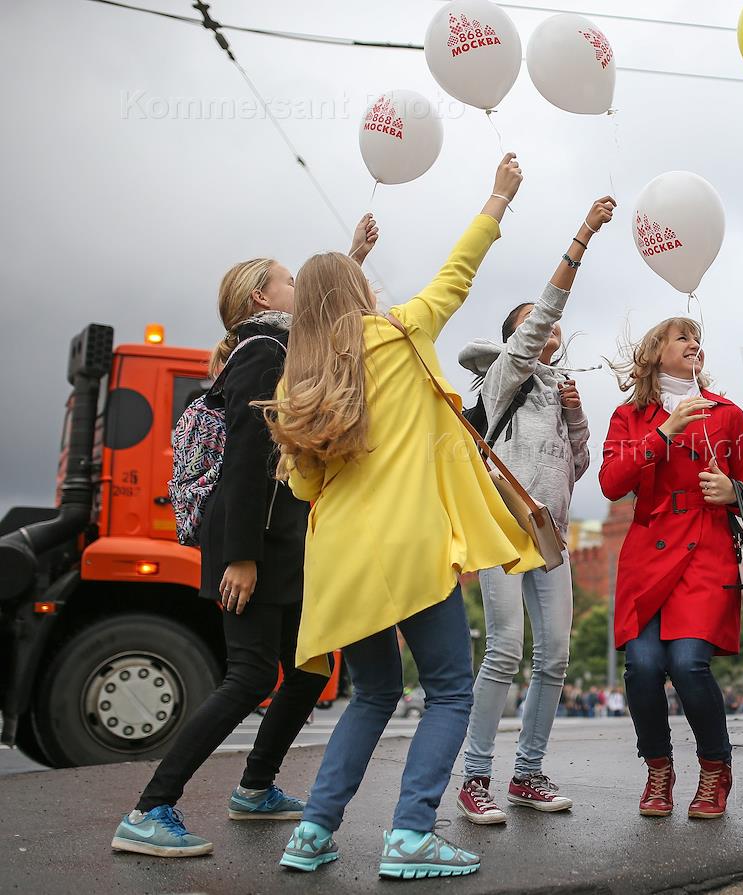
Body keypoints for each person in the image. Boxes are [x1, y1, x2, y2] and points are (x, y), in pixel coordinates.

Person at [264, 154, 542, 881]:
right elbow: (459, 271)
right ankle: (412, 831)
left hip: (341, 558)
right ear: (361, 292)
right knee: (451, 686)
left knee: (376, 692)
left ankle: (313, 830)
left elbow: (302, 487)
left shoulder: (301, 378)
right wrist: (498, 197)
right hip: (414, 542)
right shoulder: (403, 331)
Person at [111, 216, 378, 859]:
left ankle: (255, 788)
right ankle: (149, 810)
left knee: (310, 667)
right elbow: (245, 457)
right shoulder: (261, 354)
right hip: (253, 549)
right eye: (289, 279)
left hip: (279, 548)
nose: (298, 285)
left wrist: (353, 258)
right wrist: (242, 559)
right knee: (251, 673)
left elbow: (321, 312)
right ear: (261, 298)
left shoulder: (278, 348)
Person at [455, 196, 614, 825]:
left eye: (550, 331)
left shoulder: (557, 391)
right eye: (536, 328)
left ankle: (527, 773)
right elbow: (546, 310)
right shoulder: (503, 380)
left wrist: (576, 417)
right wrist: (581, 235)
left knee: (553, 656)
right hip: (502, 531)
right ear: (517, 341)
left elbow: (577, 470)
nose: (550, 333)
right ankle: (474, 777)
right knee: (503, 650)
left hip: (549, 536)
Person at [599, 317, 743, 820]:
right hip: (648, 556)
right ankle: (659, 768)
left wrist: (731, 492)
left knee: (689, 663)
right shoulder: (630, 416)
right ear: (655, 352)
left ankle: (715, 767)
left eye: (698, 338)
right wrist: (665, 431)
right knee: (643, 667)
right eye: (682, 337)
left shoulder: (728, 414)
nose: (694, 344)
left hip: (706, 553)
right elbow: (609, 482)